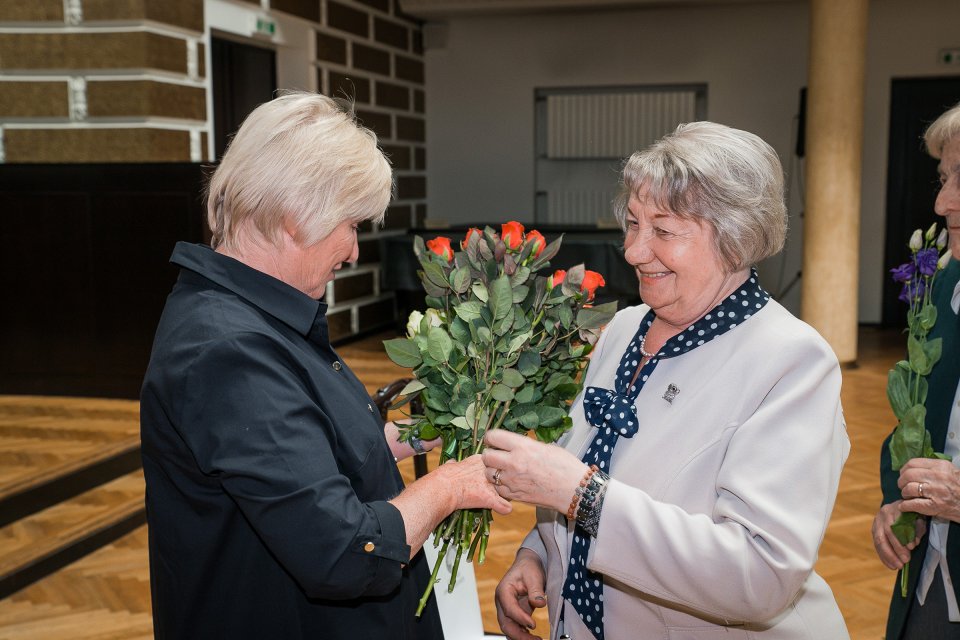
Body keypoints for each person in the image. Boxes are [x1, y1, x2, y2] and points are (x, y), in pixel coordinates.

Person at [139, 91, 511, 639]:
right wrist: (453, 486)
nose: (354, 249)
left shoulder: (258, 314)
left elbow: (295, 464)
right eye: (352, 223)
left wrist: (399, 439)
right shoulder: (227, 350)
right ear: (296, 215)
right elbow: (344, 553)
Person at [483, 121, 850, 640]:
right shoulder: (627, 327)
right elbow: (590, 461)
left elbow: (763, 573)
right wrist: (538, 554)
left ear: (734, 239)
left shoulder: (792, 362)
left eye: (663, 230)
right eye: (632, 223)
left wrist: (581, 495)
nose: (633, 251)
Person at [872, 101, 960, 639]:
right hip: (936, 574)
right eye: (945, 177)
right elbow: (918, 420)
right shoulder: (943, 289)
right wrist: (896, 502)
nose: (943, 201)